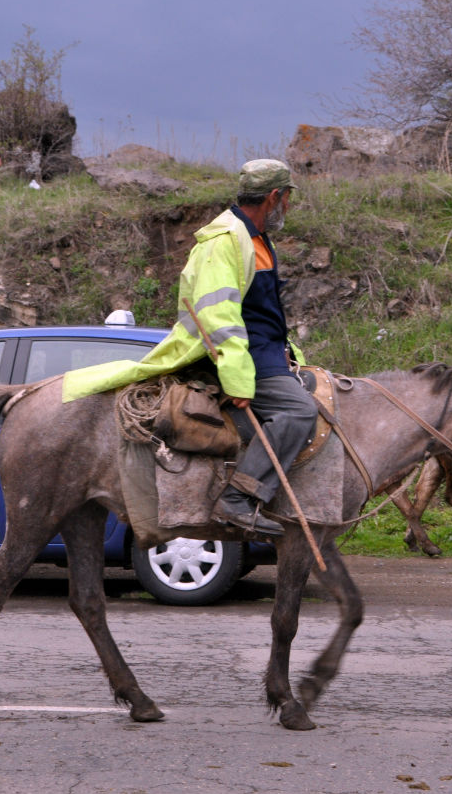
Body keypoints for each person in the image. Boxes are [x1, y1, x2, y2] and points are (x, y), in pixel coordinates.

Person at [61, 158, 317, 538]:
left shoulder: (256, 238)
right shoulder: (224, 240)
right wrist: (237, 379)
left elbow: (261, 312)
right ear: (275, 197)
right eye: (288, 199)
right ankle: (240, 498)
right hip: (238, 358)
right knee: (299, 412)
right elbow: (218, 317)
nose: (289, 207)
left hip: (264, 352)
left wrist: (288, 351)